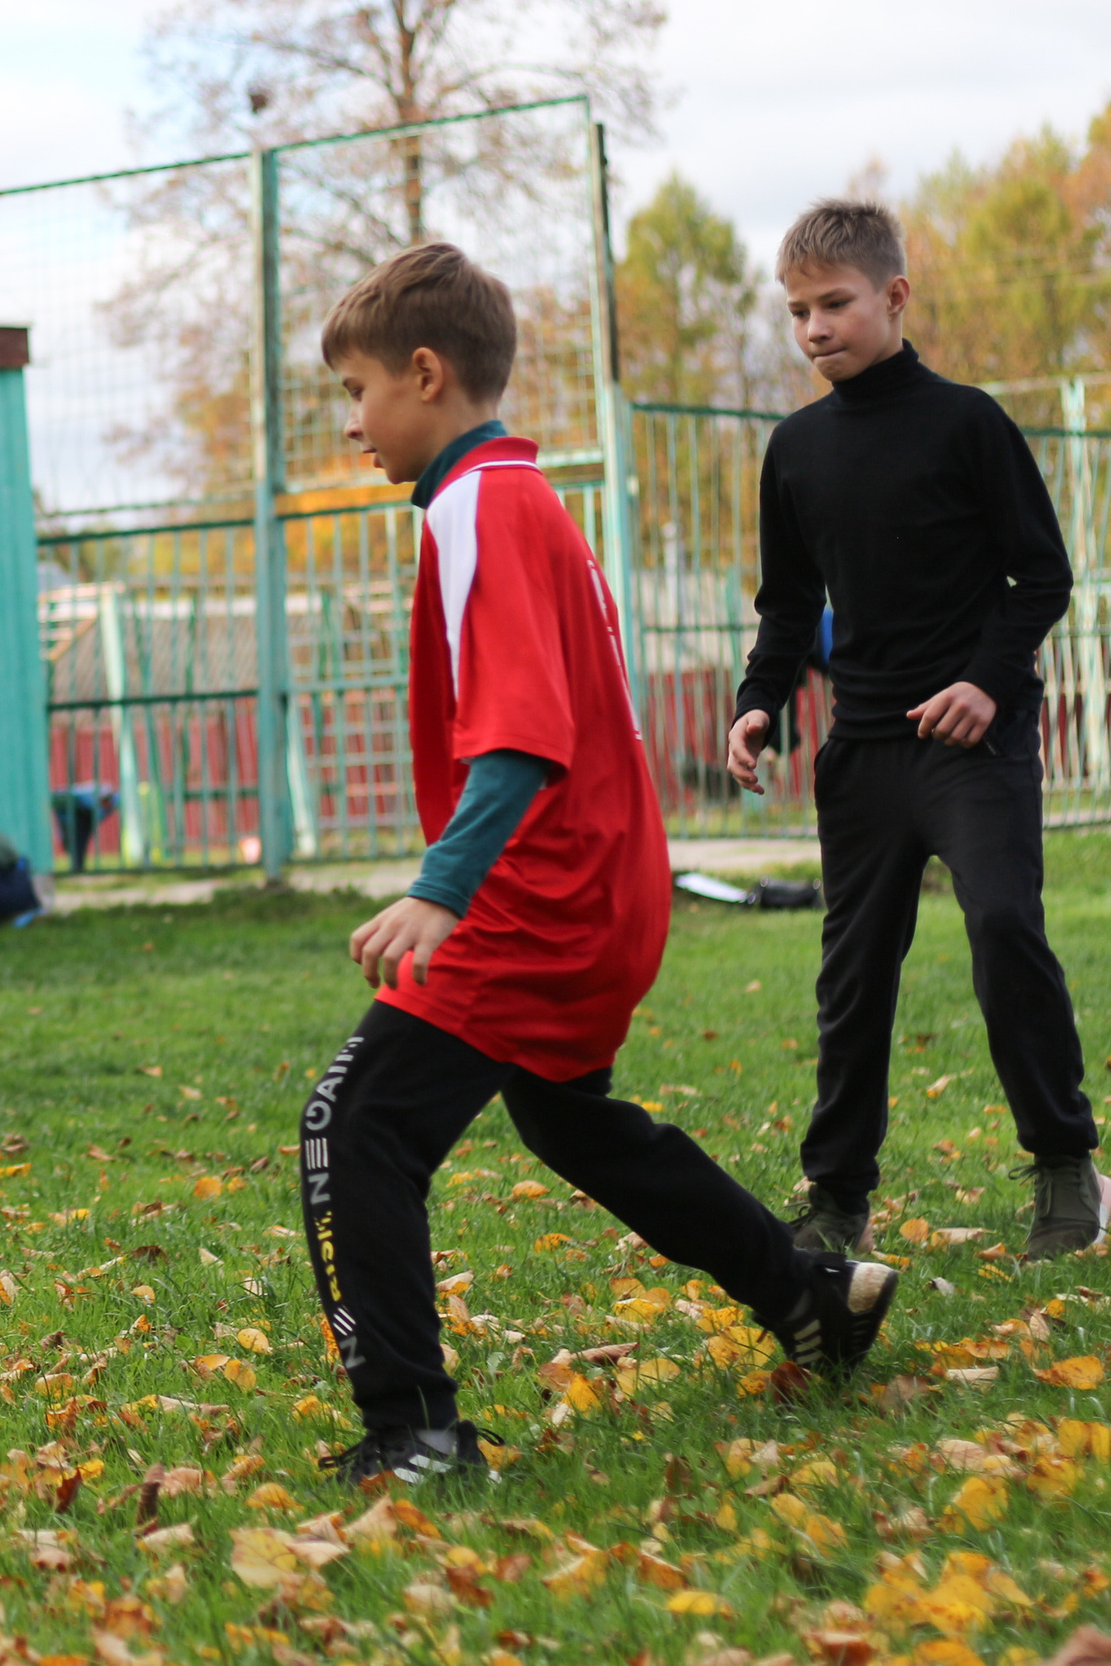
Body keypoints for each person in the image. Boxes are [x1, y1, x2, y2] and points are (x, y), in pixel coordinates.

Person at [298, 243, 899, 1490]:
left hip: (535, 900)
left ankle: (415, 1431)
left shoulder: (482, 508)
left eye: (354, 391)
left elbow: (519, 739)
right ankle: (808, 1294)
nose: (350, 422)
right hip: (596, 891)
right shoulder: (509, 497)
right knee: (566, 1121)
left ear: (426, 373)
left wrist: (439, 888)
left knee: (354, 1127)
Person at [728, 198, 1104, 1261]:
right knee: (853, 979)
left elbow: (1043, 573)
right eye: (797, 310)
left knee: (1000, 926)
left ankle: (1065, 1168)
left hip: (969, 749)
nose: (813, 328)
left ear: (894, 296)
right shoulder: (793, 449)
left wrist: (987, 683)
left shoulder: (967, 422)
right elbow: (788, 604)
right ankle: (837, 1199)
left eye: (834, 303)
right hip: (862, 757)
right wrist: (759, 700)